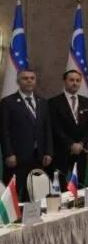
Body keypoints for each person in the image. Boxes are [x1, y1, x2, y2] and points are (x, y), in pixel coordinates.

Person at [1, 69, 53, 201]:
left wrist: (48, 152)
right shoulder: (8, 102)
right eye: (25, 78)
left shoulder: (43, 102)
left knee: (35, 195)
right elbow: (4, 130)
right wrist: (8, 154)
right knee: (12, 196)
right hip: (16, 158)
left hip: (38, 157)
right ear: (18, 81)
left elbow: (47, 129)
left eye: (32, 78)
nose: (29, 81)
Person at [49, 69, 88, 180]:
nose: (75, 83)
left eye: (78, 80)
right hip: (61, 151)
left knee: (79, 183)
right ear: (64, 81)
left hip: (81, 151)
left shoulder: (87, 102)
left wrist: (81, 143)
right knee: (60, 184)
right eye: (71, 80)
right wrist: (71, 144)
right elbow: (55, 127)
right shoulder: (53, 102)